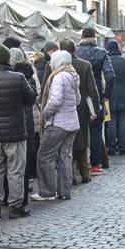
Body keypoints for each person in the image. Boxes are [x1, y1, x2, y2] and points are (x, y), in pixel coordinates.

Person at [0, 44, 36, 219]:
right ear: (7, 59)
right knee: (16, 170)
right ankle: (15, 206)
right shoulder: (18, 78)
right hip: (15, 133)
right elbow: (31, 98)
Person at [33, 50, 80, 200]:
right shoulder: (73, 76)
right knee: (65, 157)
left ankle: (46, 192)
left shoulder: (59, 77)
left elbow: (55, 101)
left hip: (58, 124)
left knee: (44, 156)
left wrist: (45, 113)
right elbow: (78, 99)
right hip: (72, 123)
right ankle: (64, 192)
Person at [75, 28, 114, 175]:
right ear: (94, 37)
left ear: (82, 37)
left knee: (79, 129)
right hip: (95, 95)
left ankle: (80, 164)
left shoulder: (75, 52)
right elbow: (110, 76)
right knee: (96, 131)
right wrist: (106, 95)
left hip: (77, 96)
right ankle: (95, 164)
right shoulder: (101, 52)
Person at [62, 40, 98, 184]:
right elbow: (92, 90)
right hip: (81, 108)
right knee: (82, 141)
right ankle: (85, 174)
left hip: (62, 110)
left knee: (66, 145)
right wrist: (94, 110)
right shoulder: (84, 65)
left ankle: (69, 177)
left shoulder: (53, 65)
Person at [9, 47, 39, 206]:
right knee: (22, 161)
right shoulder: (28, 76)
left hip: (2, 127)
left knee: (5, 165)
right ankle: (19, 197)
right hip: (25, 122)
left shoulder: (0, 76)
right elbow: (34, 96)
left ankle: (3, 199)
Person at [105, 40, 125, 155]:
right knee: (123, 122)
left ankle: (112, 147)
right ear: (118, 48)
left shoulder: (106, 61)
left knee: (111, 122)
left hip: (110, 96)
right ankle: (123, 146)